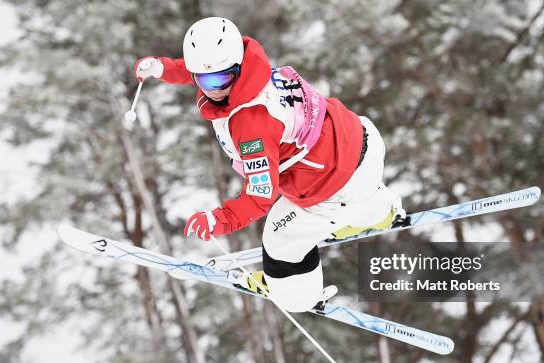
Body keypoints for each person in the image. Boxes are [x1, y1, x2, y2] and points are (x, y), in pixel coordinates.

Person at [135, 17, 404, 313]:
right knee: (348, 189)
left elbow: (261, 195)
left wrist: (218, 219)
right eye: (203, 80)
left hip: (336, 185)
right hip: (361, 140)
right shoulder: (251, 61)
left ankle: (298, 296)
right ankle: (382, 211)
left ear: (235, 67)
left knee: (278, 239)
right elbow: (204, 66)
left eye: (221, 80)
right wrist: (163, 68)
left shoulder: (251, 123)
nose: (212, 89)